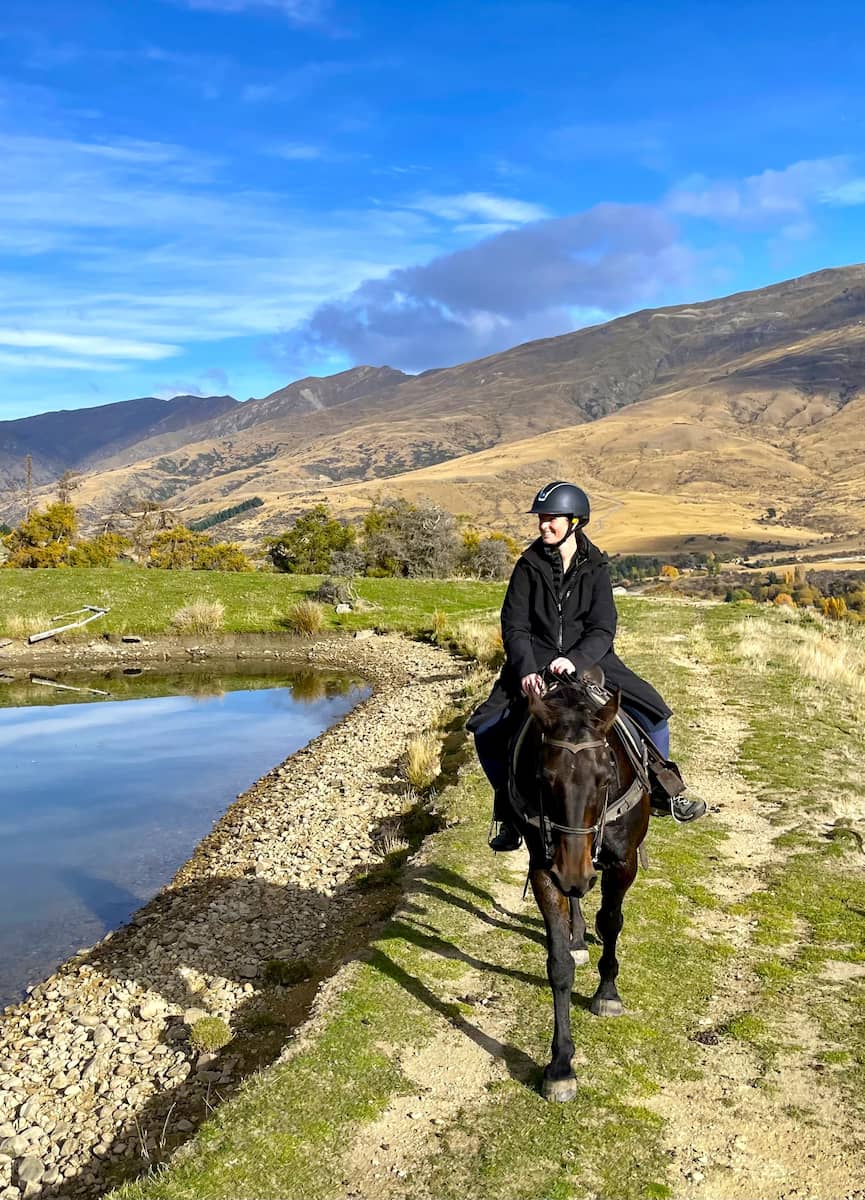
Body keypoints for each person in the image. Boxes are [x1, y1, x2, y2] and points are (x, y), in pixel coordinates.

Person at [468, 481, 706, 851]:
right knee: (486, 730)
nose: (544, 525)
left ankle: (667, 790)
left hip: (593, 660)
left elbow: (602, 627)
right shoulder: (527, 566)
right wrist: (528, 669)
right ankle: (509, 811)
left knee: (654, 713)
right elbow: (514, 625)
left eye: (552, 519)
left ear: (575, 521)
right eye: (542, 519)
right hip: (533, 664)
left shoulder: (596, 566)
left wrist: (575, 659)